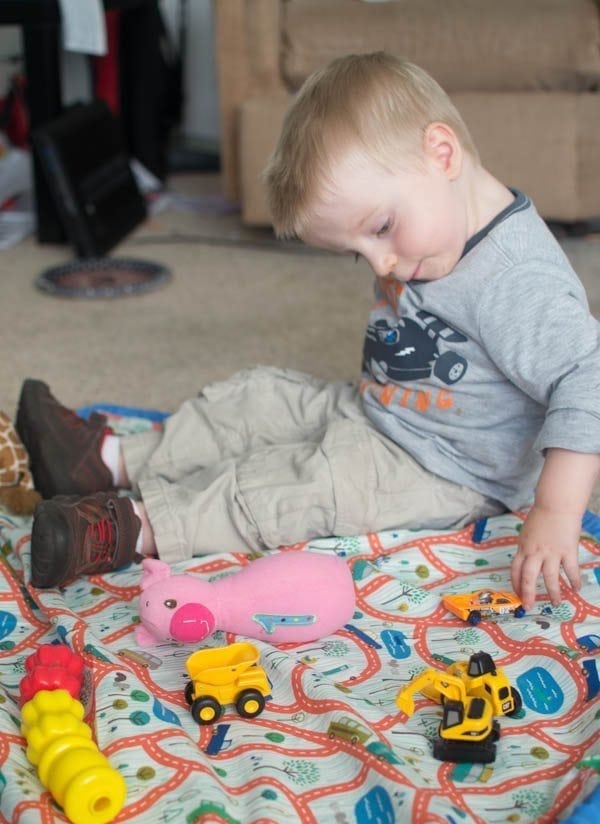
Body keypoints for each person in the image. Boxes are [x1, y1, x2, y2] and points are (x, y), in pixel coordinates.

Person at [18, 52, 600, 612]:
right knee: (256, 400)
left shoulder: (518, 279)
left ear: (441, 153)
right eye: (357, 251)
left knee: (301, 484)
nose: (379, 264)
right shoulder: (425, 235)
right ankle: (106, 460)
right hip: (376, 409)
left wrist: (553, 512)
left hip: (450, 472)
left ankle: (131, 528)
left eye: (381, 228)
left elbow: (587, 376)